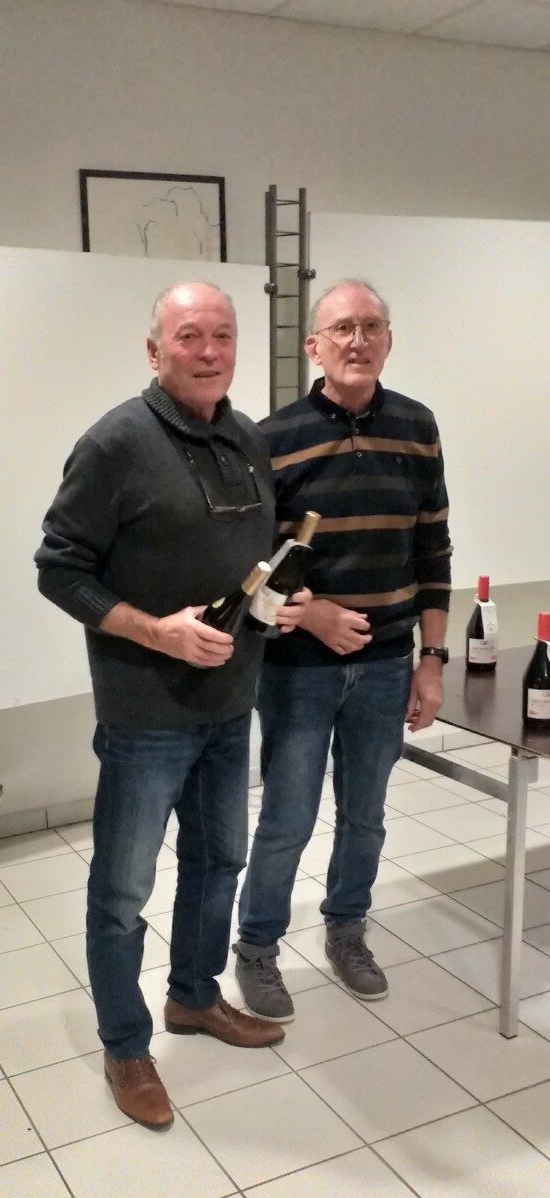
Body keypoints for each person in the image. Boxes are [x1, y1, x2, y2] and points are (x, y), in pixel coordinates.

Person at [35, 281, 309, 1131]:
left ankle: (193, 995)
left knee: (218, 862)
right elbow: (58, 569)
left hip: (229, 703)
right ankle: (126, 1045)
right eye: (189, 336)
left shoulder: (245, 436)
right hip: (145, 713)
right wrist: (156, 632)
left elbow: (248, 562)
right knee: (123, 890)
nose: (209, 351)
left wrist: (275, 606)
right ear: (154, 351)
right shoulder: (114, 443)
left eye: (222, 335)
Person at [234, 279, 452, 1019]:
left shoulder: (417, 426)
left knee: (366, 814)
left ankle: (347, 929)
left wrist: (430, 660)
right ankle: (256, 946)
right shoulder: (271, 438)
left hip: (388, 662)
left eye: (370, 326)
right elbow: (253, 573)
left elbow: (433, 550)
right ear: (312, 347)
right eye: (341, 329)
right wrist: (315, 614)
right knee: (287, 816)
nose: (357, 340)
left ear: (388, 339)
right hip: (298, 669)